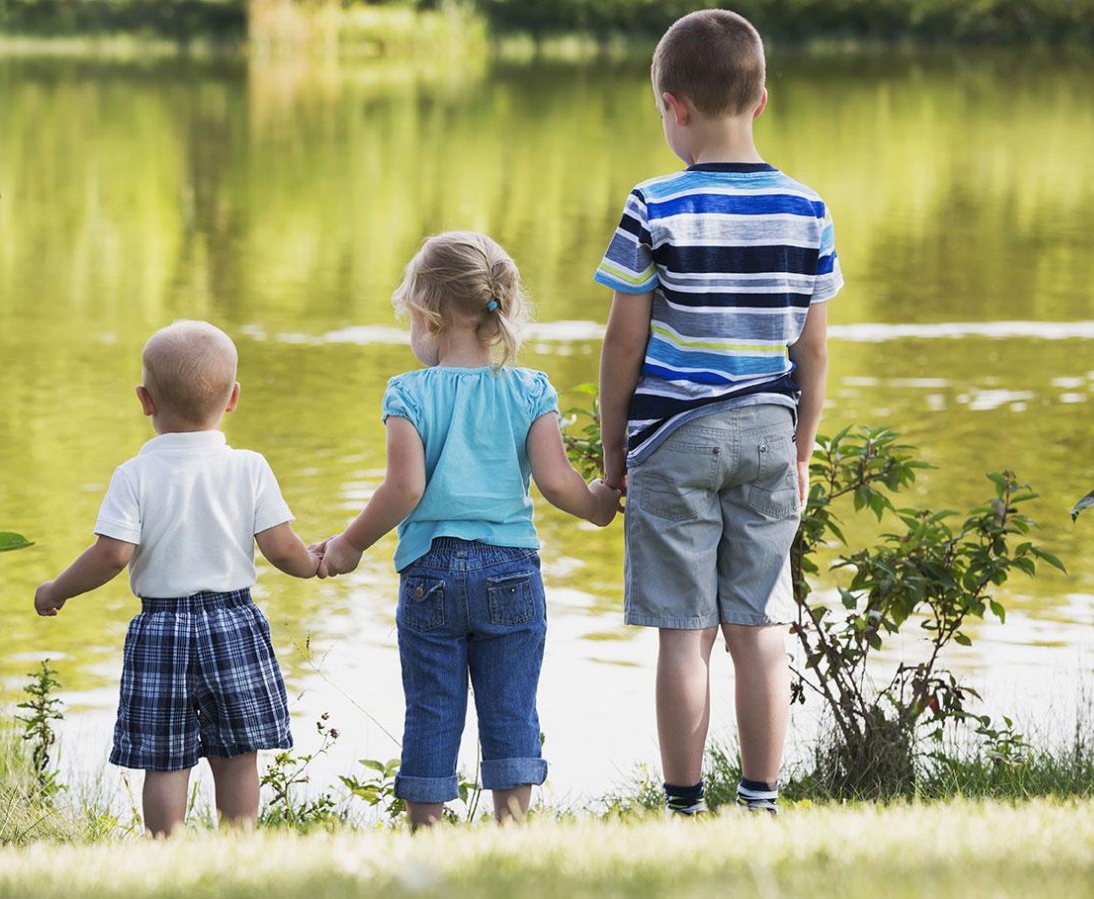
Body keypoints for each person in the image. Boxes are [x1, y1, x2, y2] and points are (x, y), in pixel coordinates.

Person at [594, 9, 841, 816]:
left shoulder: (653, 205)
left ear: (675, 107)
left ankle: (683, 802)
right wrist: (801, 450)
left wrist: (615, 450)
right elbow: (813, 353)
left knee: (683, 627)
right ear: (761, 99)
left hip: (672, 435)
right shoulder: (807, 208)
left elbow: (622, 346)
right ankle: (761, 798)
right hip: (771, 430)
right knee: (761, 623)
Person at [318, 231, 620, 830]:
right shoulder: (530, 389)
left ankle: (426, 832)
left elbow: (403, 490)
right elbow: (559, 484)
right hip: (510, 571)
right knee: (510, 708)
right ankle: (510, 830)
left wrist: (350, 545)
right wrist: (600, 505)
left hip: (429, 574)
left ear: (428, 317)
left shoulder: (409, 392)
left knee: (432, 708)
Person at [33, 320, 322, 837]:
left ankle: (166, 850)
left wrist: (56, 590)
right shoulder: (249, 467)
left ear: (145, 399)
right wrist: (316, 561)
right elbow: (281, 549)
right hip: (234, 621)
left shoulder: (134, 475)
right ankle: (240, 844)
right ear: (233, 398)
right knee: (237, 753)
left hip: (160, 628)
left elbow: (112, 554)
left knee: (165, 759)